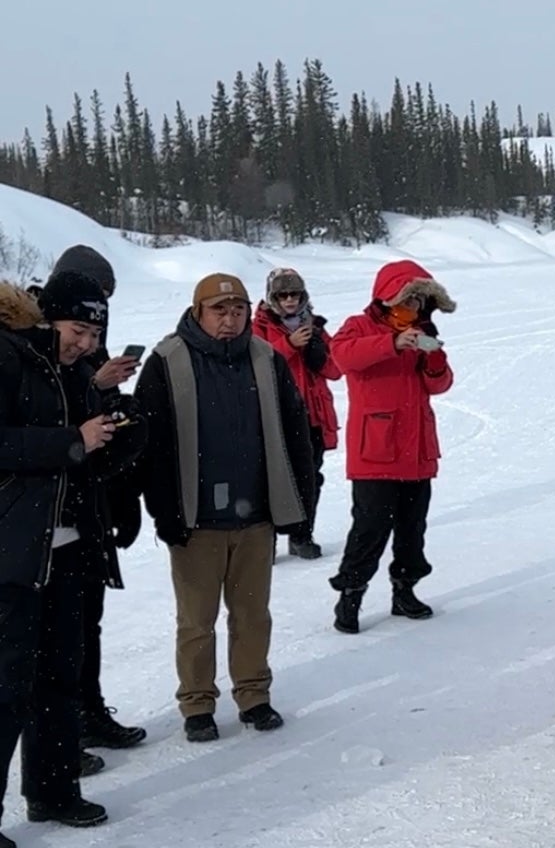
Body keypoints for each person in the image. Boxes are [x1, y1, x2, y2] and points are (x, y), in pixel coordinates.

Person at [0, 272, 145, 848]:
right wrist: (70, 441)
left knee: (61, 676)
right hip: (13, 551)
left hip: (68, 548)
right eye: (78, 330)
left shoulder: (70, 371)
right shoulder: (8, 357)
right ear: (47, 318)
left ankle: (54, 791)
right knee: (6, 688)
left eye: (93, 334)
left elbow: (82, 454)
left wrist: (119, 440)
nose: (86, 344)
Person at [134, 273, 317, 742]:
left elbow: (296, 432)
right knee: (197, 621)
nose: (229, 319)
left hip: (256, 515)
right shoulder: (167, 360)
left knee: (253, 615)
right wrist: (165, 512)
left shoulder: (265, 358)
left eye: (237, 310)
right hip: (196, 521)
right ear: (198, 312)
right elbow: (149, 447)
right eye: (218, 310)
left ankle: (254, 695)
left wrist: (297, 505)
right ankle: (197, 704)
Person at [37, 244, 146, 760]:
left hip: (88, 508)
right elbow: (53, 424)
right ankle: (64, 732)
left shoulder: (85, 343)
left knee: (85, 622)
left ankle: (89, 712)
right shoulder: (35, 346)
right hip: (44, 520)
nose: (86, 339)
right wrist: (93, 385)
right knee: (45, 645)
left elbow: (93, 431)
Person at [329, 261, 456, 633]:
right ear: (388, 297)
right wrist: (391, 343)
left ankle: (405, 591)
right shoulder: (359, 325)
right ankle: (350, 596)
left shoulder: (424, 331)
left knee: (412, 531)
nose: (413, 306)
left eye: (419, 300)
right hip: (376, 453)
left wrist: (434, 359)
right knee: (369, 530)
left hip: (417, 452)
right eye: (407, 297)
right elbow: (343, 357)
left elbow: (441, 384)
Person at [252, 267, 340, 560]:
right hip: (276, 417)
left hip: (313, 416)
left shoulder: (315, 325)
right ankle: (266, 540)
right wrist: (288, 346)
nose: (290, 300)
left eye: (295, 294)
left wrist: (318, 349)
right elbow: (254, 364)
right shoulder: (259, 326)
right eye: (283, 294)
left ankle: (303, 535)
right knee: (270, 479)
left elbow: (337, 370)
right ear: (272, 297)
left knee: (310, 477)